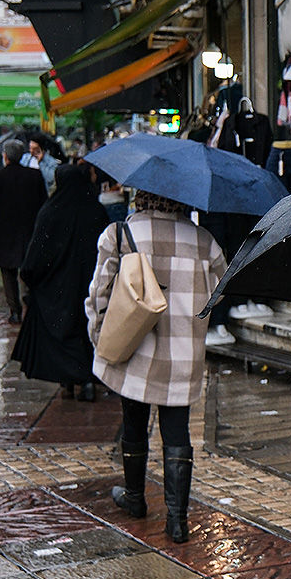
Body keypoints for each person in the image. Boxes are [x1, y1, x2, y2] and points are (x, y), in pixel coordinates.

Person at [85, 190, 226, 543]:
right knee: (177, 433)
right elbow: (221, 290)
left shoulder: (121, 233)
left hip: (135, 348)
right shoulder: (204, 241)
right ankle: (177, 521)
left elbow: (99, 293)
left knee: (133, 421)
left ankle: (135, 498)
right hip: (183, 353)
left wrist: (98, 334)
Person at [12, 165, 109, 401]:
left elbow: (35, 256)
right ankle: (87, 379)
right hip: (89, 284)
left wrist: (30, 277)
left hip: (57, 288)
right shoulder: (95, 211)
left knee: (63, 330)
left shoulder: (50, 212)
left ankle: (68, 380)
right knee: (87, 330)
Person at [0, 139, 48, 323]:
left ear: (5, 157)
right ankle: (31, 305)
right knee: (30, 269)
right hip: (31, 232)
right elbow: (44, 206)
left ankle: (15, 310)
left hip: (6, 233)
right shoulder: (34, 176)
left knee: (8, 273)